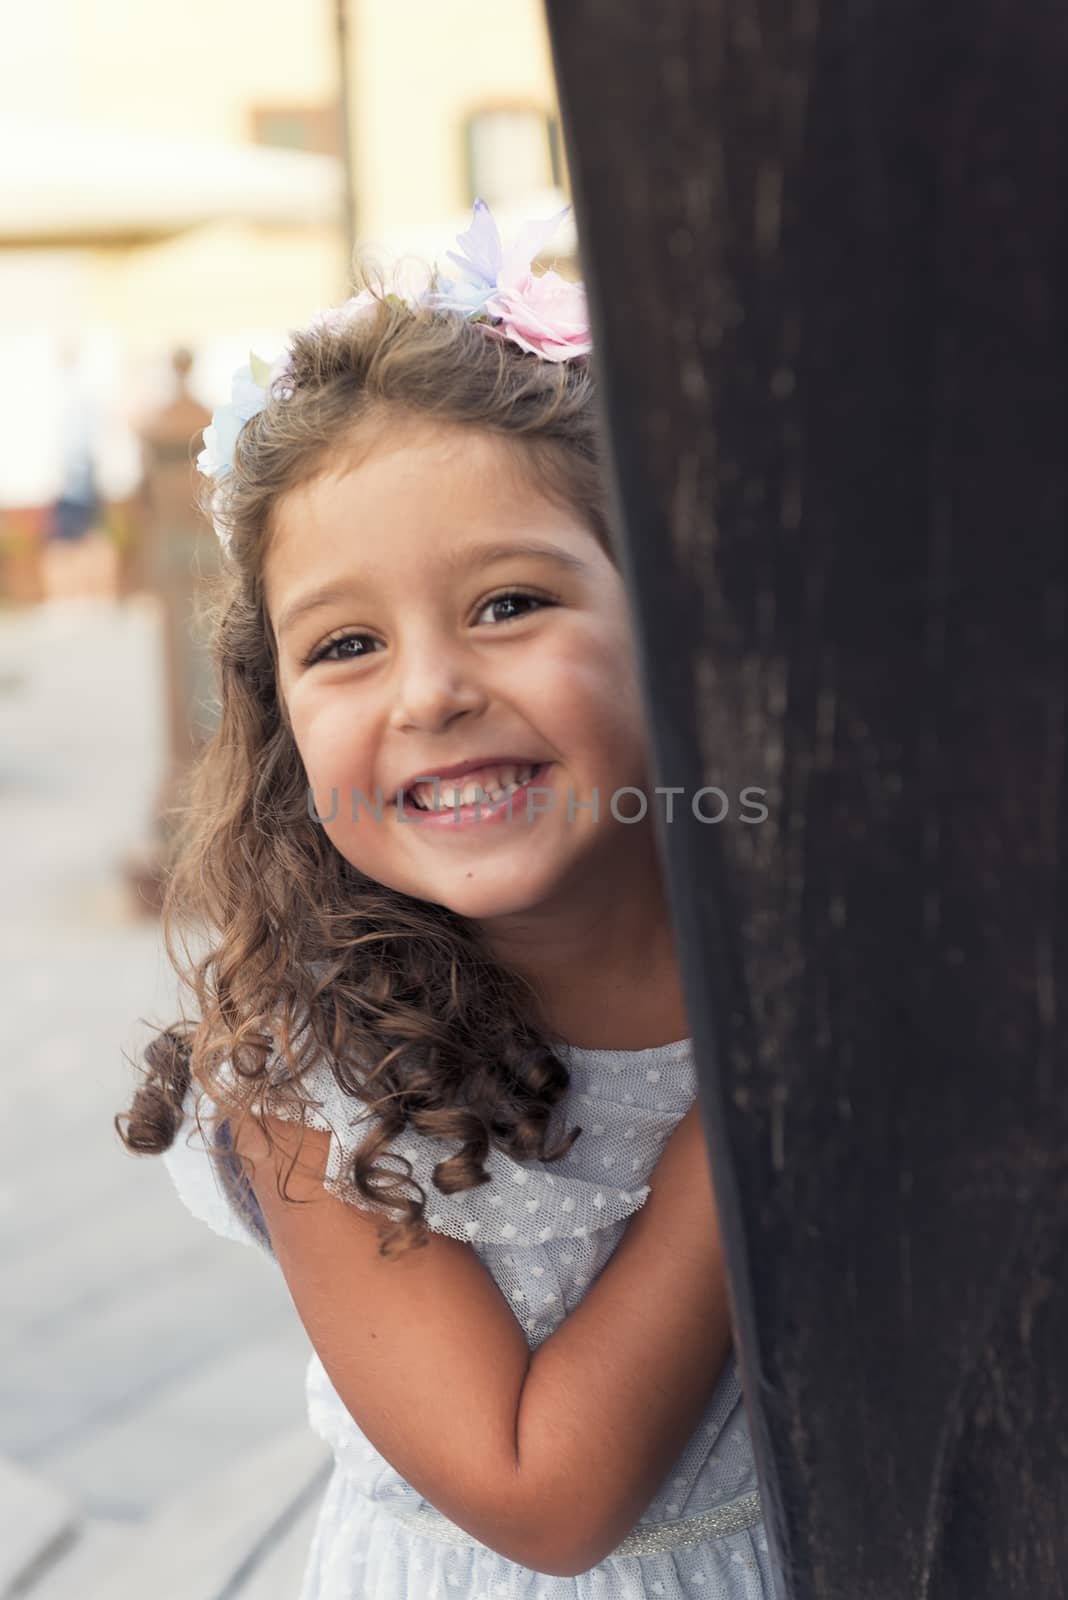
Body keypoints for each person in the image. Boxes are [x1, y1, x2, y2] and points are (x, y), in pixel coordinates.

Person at [115, 198, 776, 1598]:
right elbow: (544, 1497)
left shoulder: (789, 933)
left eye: (509, 604)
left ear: (671, 615)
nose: (432, 691)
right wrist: (753, 1124)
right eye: (347, 643)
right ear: (279, 714)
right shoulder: (304, 1068)